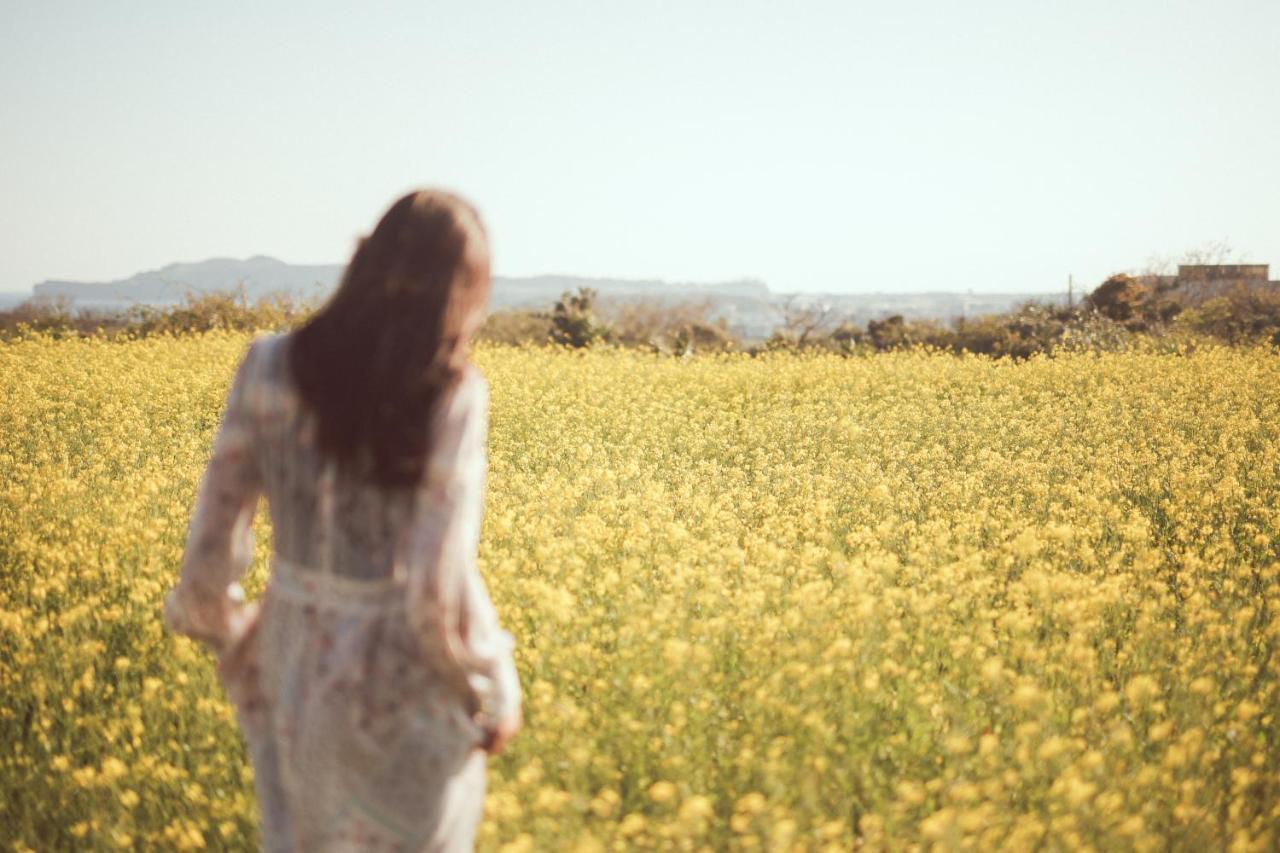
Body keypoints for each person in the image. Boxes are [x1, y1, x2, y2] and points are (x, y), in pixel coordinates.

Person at [163, 189, 522, 852]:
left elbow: (209, 555)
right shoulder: (452, 393)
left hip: (291, 671)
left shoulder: (265, 366)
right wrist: (491, 688)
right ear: (460, 293)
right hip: (403, 686)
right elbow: (433, 590)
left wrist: (238, 639)